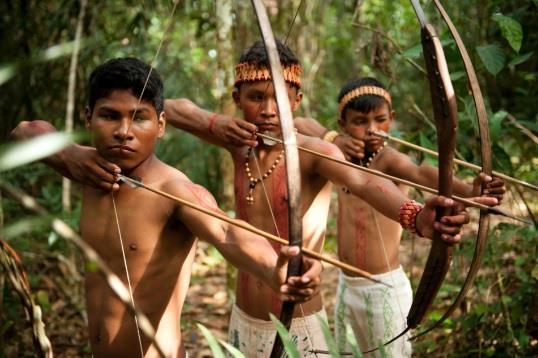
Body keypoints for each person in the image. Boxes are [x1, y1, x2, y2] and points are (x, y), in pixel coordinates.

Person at [17, 44, 486, 356]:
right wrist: (218, 126)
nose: (267, 110)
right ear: (237, 97)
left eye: (280, 98)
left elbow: (363, 185)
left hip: (297, 315)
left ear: (297, 99)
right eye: (255, 96)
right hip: (245, 318)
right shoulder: (237, 141)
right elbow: (174, 109)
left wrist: (415, 215)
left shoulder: (314, 150)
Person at [11, 57, 324, 358]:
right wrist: (67, 154)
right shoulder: (88, 168)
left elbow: (226, 231)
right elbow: (24, 131)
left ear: (161, 125)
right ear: (88, 117)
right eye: (109, 116)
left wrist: (276, 270)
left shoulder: (174, 190)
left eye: (139, 117)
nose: (123, 131)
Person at [293, 77, 505, 355]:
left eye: (380, 120)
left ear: (391, 119)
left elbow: (421, 173)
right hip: (348, 285)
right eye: (359, 121)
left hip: (383, 288)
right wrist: (334, 140)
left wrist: (468, 189)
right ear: (342, 124)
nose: (372, 130)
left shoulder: (388, 159)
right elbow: (299, 123)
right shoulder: (336, 156)